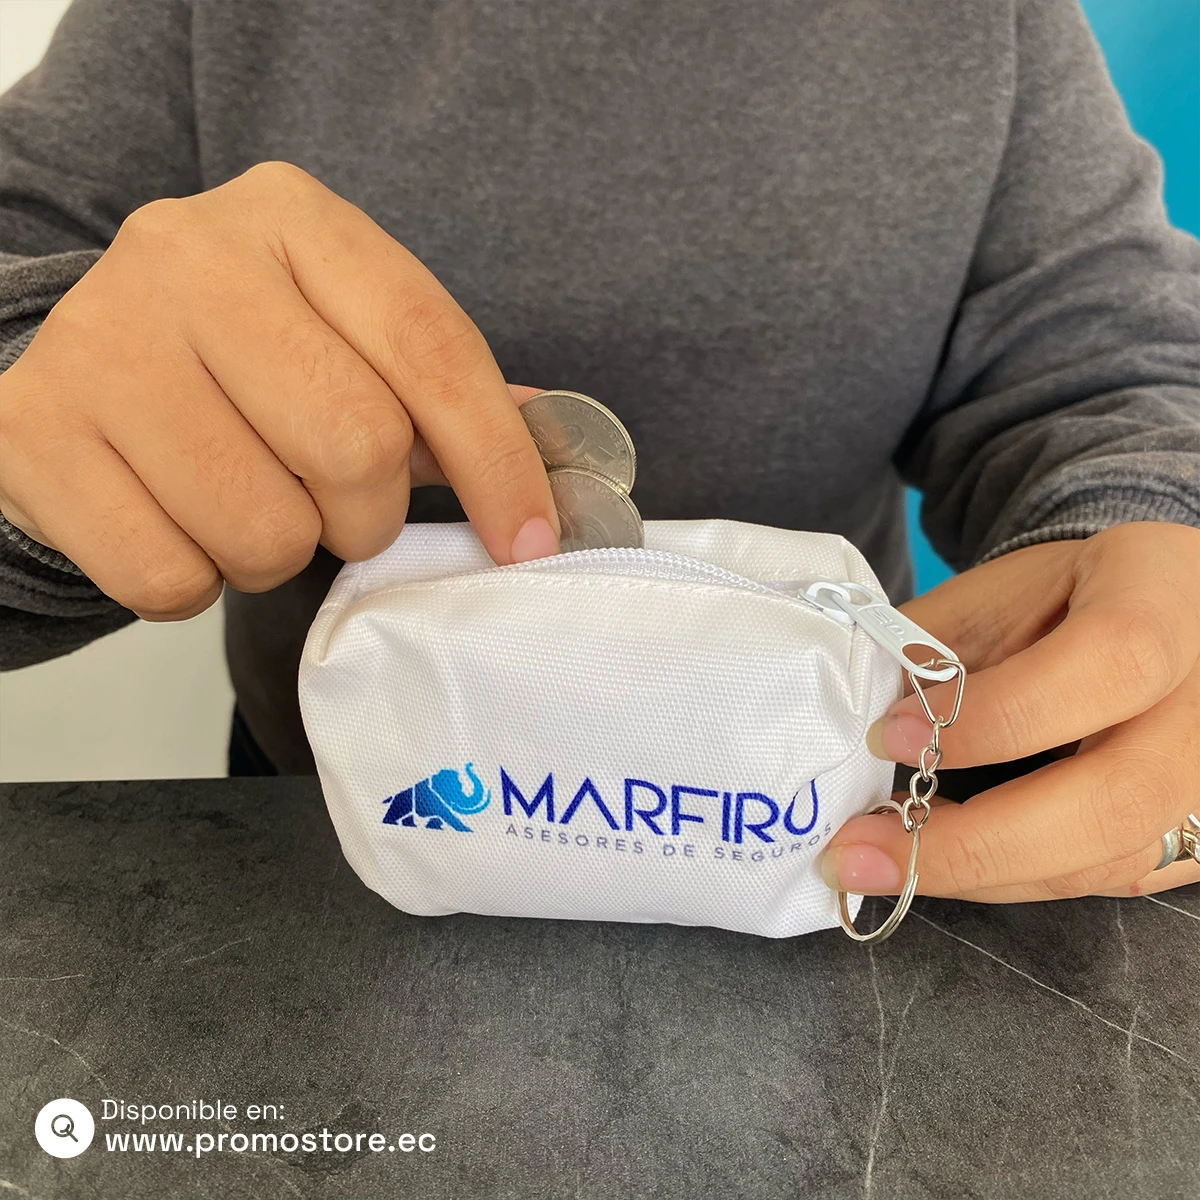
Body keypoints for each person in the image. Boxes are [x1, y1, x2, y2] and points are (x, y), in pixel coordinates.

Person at [0, 0, 1197, 909]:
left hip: (826, 810)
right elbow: (34, 296)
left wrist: (1153, 530)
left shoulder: (988, 24)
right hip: (321, 834)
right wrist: (39, 433)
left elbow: (1107, 354)